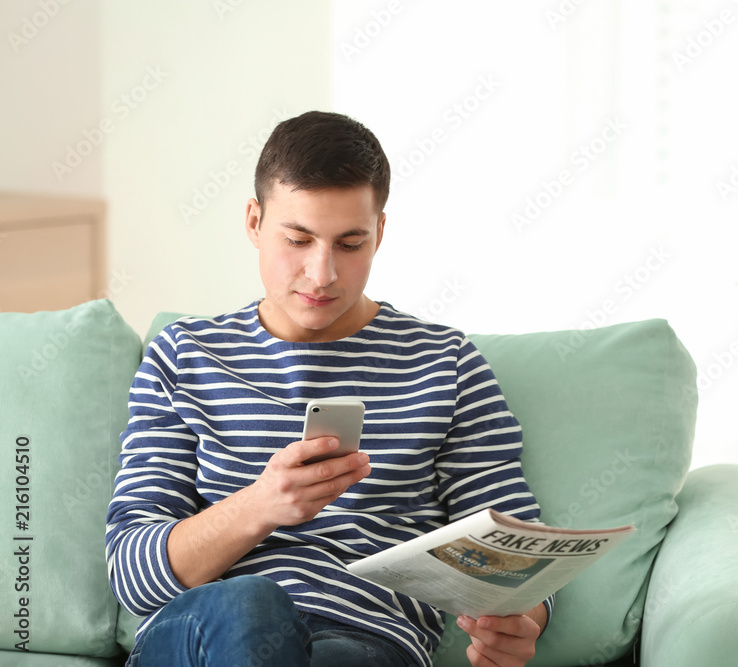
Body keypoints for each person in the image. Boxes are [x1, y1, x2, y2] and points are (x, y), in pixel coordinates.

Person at [106, 110, 552, 667]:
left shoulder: (446, 364)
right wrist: (261, 506)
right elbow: (132, 574)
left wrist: (519, 617)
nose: (322, 274)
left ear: (380, 234)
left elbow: (513, 545)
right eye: (297, 239)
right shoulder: (187, 355)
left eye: (349, 243)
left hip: (366, 641)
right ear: (253, 221)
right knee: (252, 606)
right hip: (206, 636)